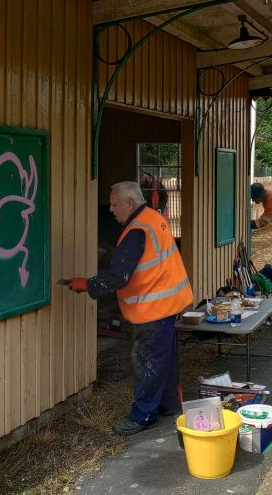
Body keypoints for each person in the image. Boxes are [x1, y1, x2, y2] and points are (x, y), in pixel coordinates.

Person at [68, 181, 193, 435]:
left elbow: (119, 276)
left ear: (130, 203)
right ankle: (168, 404)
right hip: (170, 303)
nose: (111, 209)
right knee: (164, 357)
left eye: (115, 204)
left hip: (153, 308)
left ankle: (144, 416)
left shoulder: (137, 230)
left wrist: (87, 284)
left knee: (146, 361)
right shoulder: (153, 218)